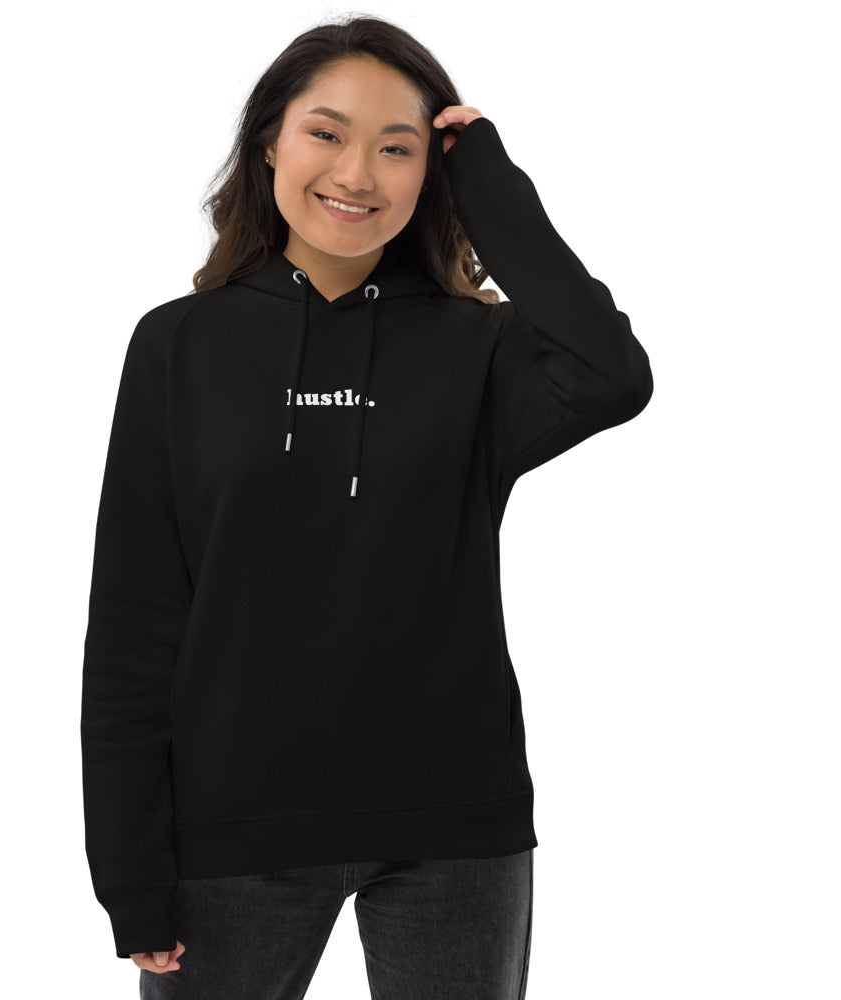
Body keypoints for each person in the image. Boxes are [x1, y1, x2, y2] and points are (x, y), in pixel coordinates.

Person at [80, 15, 653, 1000]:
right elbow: (136, 616)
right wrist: (128, 868)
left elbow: (613, 376)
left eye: (397, 148)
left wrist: (492, 188)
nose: (356, 173)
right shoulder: (179, 346)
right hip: (230, 834)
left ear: (431, 172)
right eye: (327, 133)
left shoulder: (479, 349)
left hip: (452, 828)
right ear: (270, 141)